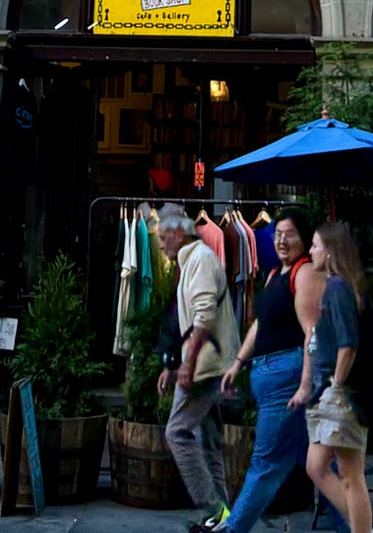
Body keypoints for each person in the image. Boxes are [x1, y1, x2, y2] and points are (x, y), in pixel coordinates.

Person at [219, 206, 348, 533]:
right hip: (272, 377)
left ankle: (234, 528)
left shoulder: (304, 273)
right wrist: (238, 362)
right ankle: (358, 527)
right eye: (277, 234)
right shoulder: (277, 274)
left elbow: (312, 334)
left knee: (266, 464)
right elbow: (260, 325)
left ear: (304, 238)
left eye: (289, 234)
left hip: (287, 380)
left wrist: (305, 385)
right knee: (320, 466)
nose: (281, 240)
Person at [157, 200, 240, 533]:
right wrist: (173, 362)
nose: (160, 244)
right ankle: (222, 518)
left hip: (205, 364)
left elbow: (203, 316)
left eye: (163, 237)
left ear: (178, 233)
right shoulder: (194, 260)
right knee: (208, 441)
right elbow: (189, 320)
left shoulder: (200, 261)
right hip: (209, 361)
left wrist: (187, 366)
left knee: (177, 432)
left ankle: (213, 509)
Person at [291, 221, 373, 533]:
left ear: (330, 250)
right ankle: (361, 526)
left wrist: (336, 385)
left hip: (339, 393)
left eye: (315, 245)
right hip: (330, 392)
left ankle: (362, 529)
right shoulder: (337, 285)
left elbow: (347, 344)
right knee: (317, 466)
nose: (310, 250)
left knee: (351, 475)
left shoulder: (338, 287)